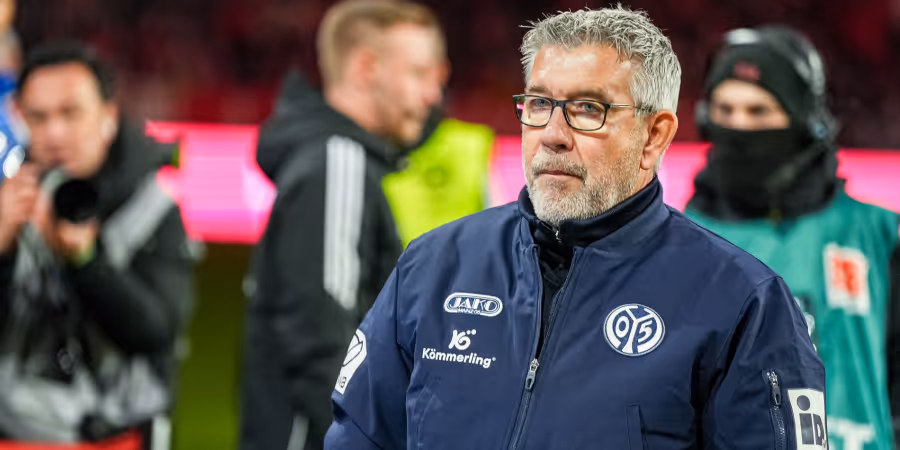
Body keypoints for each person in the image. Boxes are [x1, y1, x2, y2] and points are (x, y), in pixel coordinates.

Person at [326, 6, 826, 449]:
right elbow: (360, 437)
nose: (552, 135)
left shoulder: (742, 301)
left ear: (655, 136)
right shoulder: (433, 266)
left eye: (588, 109)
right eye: (539, 104)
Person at [239, 1, 446, 449]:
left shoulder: (335, 158)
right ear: (366, 68)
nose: (432, 95)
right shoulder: (338, 162)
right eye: (418, 74)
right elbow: (324, 343)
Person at [686, 26, 900, 450]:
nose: (738, 126)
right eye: (725, 109)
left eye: (759, 110)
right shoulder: (683, 241)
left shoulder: (878, 234)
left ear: (803, 119)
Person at [0, 42, 194, 445]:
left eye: (70, 113)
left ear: (108, 115)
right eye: (38, 117)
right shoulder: (9, 200)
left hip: (117, 434)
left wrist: (85, 260)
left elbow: (156, 332)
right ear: (18, 117)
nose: (54, 133)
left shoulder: (151, 200)